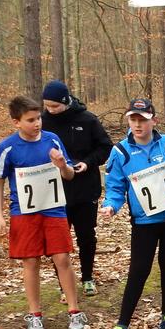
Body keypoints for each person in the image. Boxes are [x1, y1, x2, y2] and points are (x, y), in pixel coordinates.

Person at [0, 96, 88, 329]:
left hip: (53, 209)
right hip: (23, 212)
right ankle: (35, 316)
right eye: (31, 120)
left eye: (39, 118)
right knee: (30, 262)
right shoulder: (8, 147)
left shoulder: (52, 140)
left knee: (62, 258)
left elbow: (68, 176)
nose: (37, 124)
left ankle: (74, 310)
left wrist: (61, 165)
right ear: (17, 122)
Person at [100, 99, 165, 329]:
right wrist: (111, 206)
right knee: (139, 270)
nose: (137, 124)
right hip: (144, 222)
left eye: (142, 120)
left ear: (153, 121)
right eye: (133, 119)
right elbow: (115, 187)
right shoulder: (121, 152)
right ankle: (122, 325)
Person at [41, 80, 113, 297]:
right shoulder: (42, 122)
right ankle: (64, 284)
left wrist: (88, 162)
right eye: (47, 106)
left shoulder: (87, 119)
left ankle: (88, 277)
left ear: (66, 101)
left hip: (85, 188)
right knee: (58, 240)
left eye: (55, 106)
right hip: (55, 191)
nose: (51, 110)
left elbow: (105, 147)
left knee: (86, 236)